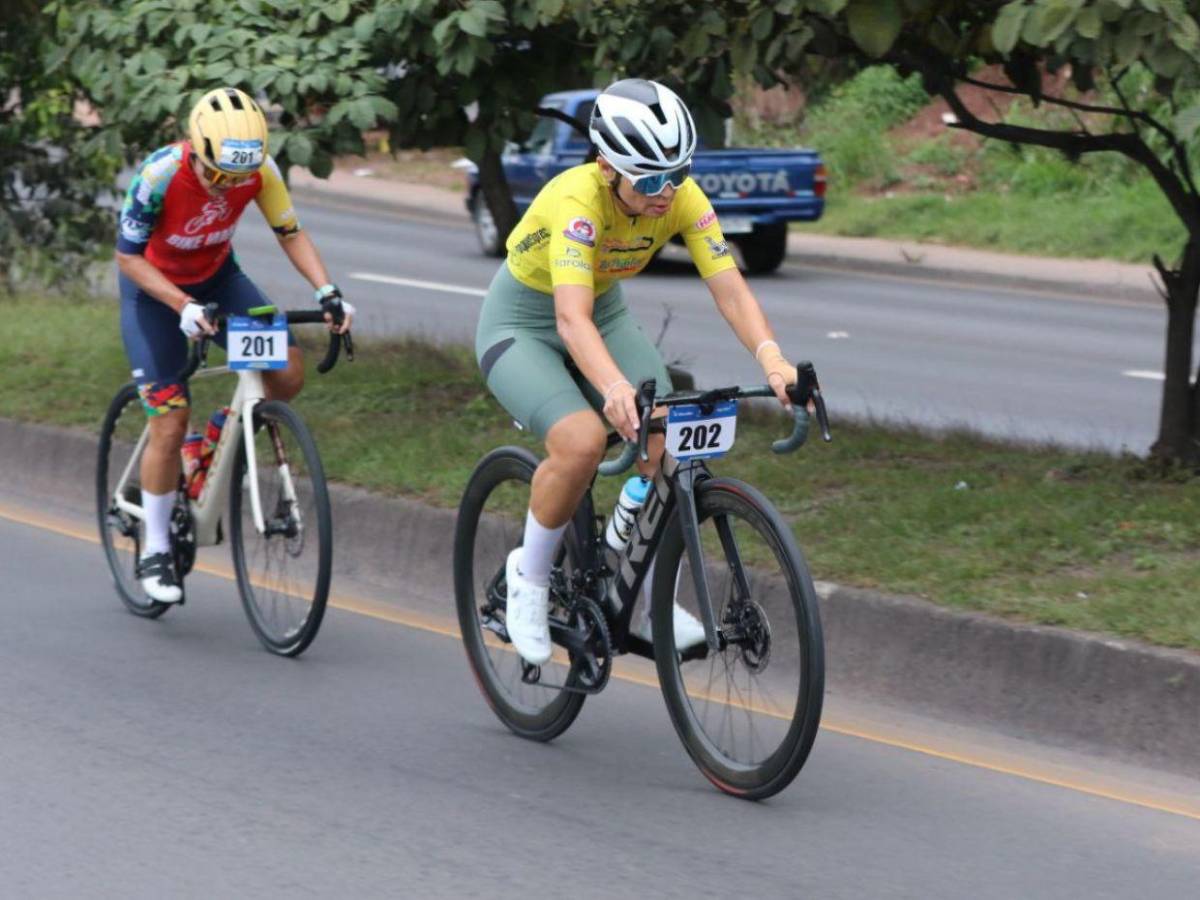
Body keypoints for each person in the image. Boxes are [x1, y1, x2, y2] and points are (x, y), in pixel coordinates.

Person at [475, 78, 802, 665]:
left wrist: (773, 358)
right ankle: (527, 579)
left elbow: (729, 289)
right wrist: (615, 387)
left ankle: (645, 596)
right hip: (521, 325)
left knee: (670, 439)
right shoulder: (577, 201)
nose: (664, 192)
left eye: (676, 174)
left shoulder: (681, 196)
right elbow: (571, 322)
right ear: (606, 167)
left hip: (604, 311)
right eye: (649, 179)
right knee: (578, 442)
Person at [115, 86, 353, 604]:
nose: (227, 188)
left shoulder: (260, 171)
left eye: (237, 178)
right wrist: (181, 306)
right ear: (194, 148)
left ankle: (218, 436)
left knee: (287, 371)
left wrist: (327, 290)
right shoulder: (159, 176)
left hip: (219, 281)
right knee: (170, 419)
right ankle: (155, 547)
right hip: (154, 294)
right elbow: (128, 258)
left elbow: (290, 232)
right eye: (217, 175)